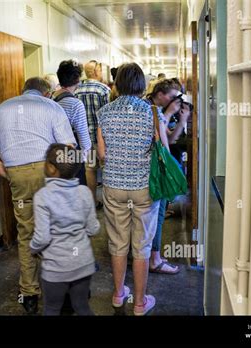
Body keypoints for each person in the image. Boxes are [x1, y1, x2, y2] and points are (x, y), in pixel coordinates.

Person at [0, 77, 76, 314]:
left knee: (26, 235)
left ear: (23, 91)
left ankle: (29, 293)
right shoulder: (52, 106)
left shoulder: (2, 109)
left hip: (17, 174)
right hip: (48, 171)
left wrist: (11, 176)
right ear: (46, 93)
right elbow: (69, 149)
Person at [96, 63, 160, 316]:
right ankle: (140, 303)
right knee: (141, 246)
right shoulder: (151, 113)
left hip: (113, 187)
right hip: (144, 187)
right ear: (141, 85)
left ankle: (118, 294)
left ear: (117, 84)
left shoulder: (104, 112)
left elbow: (101, 154)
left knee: (118, 242)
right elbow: (160, 149)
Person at [30, 144, 100, 315]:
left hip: (56, 268)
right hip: (83, 263)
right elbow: (94, 228)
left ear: (52, 168)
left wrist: (32, 248)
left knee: (52, 308)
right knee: (82, 306)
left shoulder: (42, 197)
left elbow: (42, 238)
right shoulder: (84, 192)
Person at [144, 78, 191, 274]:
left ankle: (152, 255)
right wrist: (169, 113)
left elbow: (170, 140)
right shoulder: (148, 109)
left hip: (157, 170)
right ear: (160, 94)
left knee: (159, 213)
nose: (174, 101)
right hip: (152, 171)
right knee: (156, 214)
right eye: (172, 97)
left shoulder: (162, 112)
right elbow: (161, 144)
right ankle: (153, 258)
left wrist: (181, 120)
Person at [75, 60, 111, 207]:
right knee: (106, 169)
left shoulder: (77, 90)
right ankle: (110, 202)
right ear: (96, 72)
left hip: (84, 138)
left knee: (89, 169)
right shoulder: (104, 90)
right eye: (101, 70)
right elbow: (109, 115)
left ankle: (92, 202)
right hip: (102, 138)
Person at [53, 60, 91, 185]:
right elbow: (83, 137)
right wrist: (84, 159)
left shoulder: (50, 99)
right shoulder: (75, 104)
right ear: (77, 80)